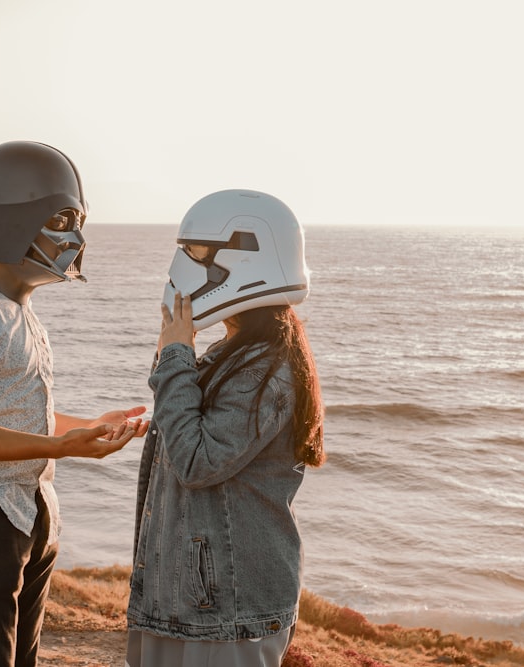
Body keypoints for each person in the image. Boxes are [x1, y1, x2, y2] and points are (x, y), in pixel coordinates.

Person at [0, 140, 148, 667]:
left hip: (29, 513)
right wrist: (61, 446)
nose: (77, 237)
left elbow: (12, 415)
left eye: (79, 221)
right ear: (11, 218)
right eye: (64, 218)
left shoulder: (12, 306)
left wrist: (91, 426)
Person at [126, 189, 326, 666]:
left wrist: (175, 351)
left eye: (198, 253)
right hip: (189, 601)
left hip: (226, 606)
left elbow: (197, 462)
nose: (186, 268)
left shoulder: (266, 369)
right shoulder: (237, 352)